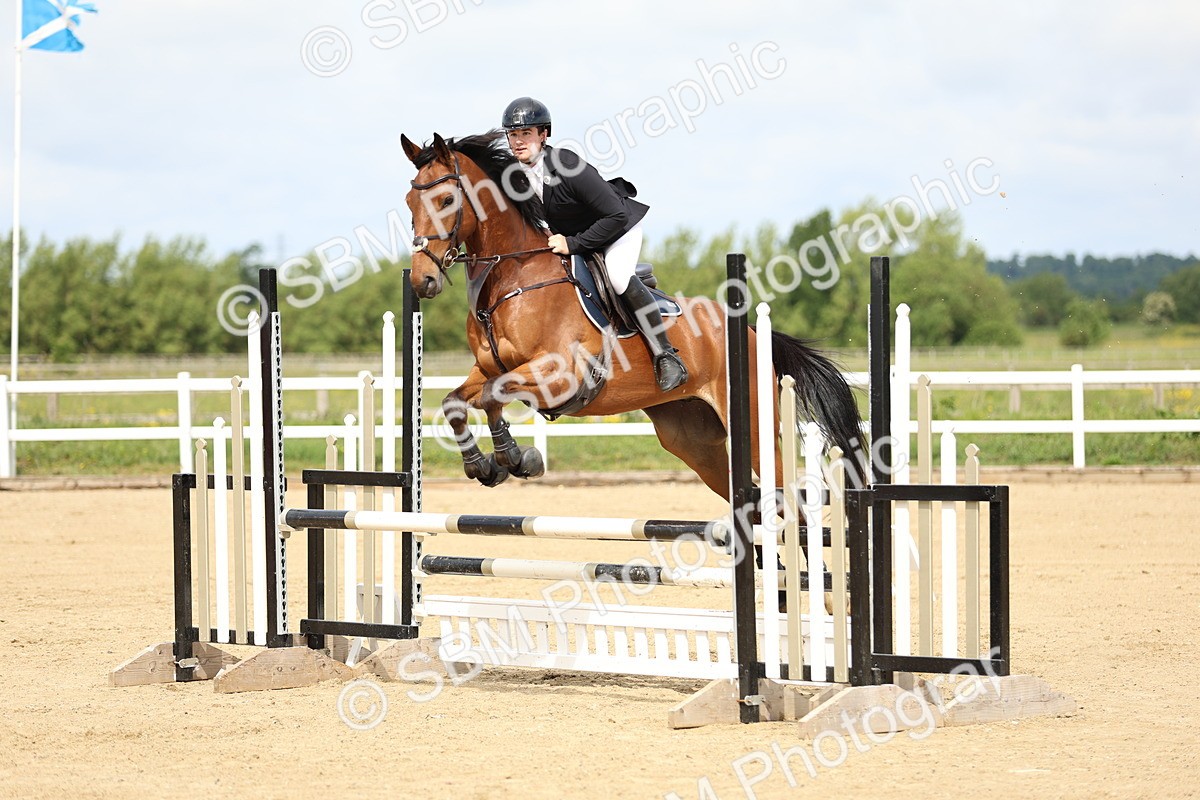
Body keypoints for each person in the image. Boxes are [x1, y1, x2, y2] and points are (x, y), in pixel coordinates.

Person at [500, 96, 688, 393]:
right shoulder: (515, 177)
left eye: (526, 133)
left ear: (543, 134)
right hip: (573, 238)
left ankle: (667, 355)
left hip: (617, 228)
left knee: (617, 276)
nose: (518, 141)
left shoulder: (567, 164)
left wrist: (573, 244)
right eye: (513, 134)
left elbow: (615, 214)